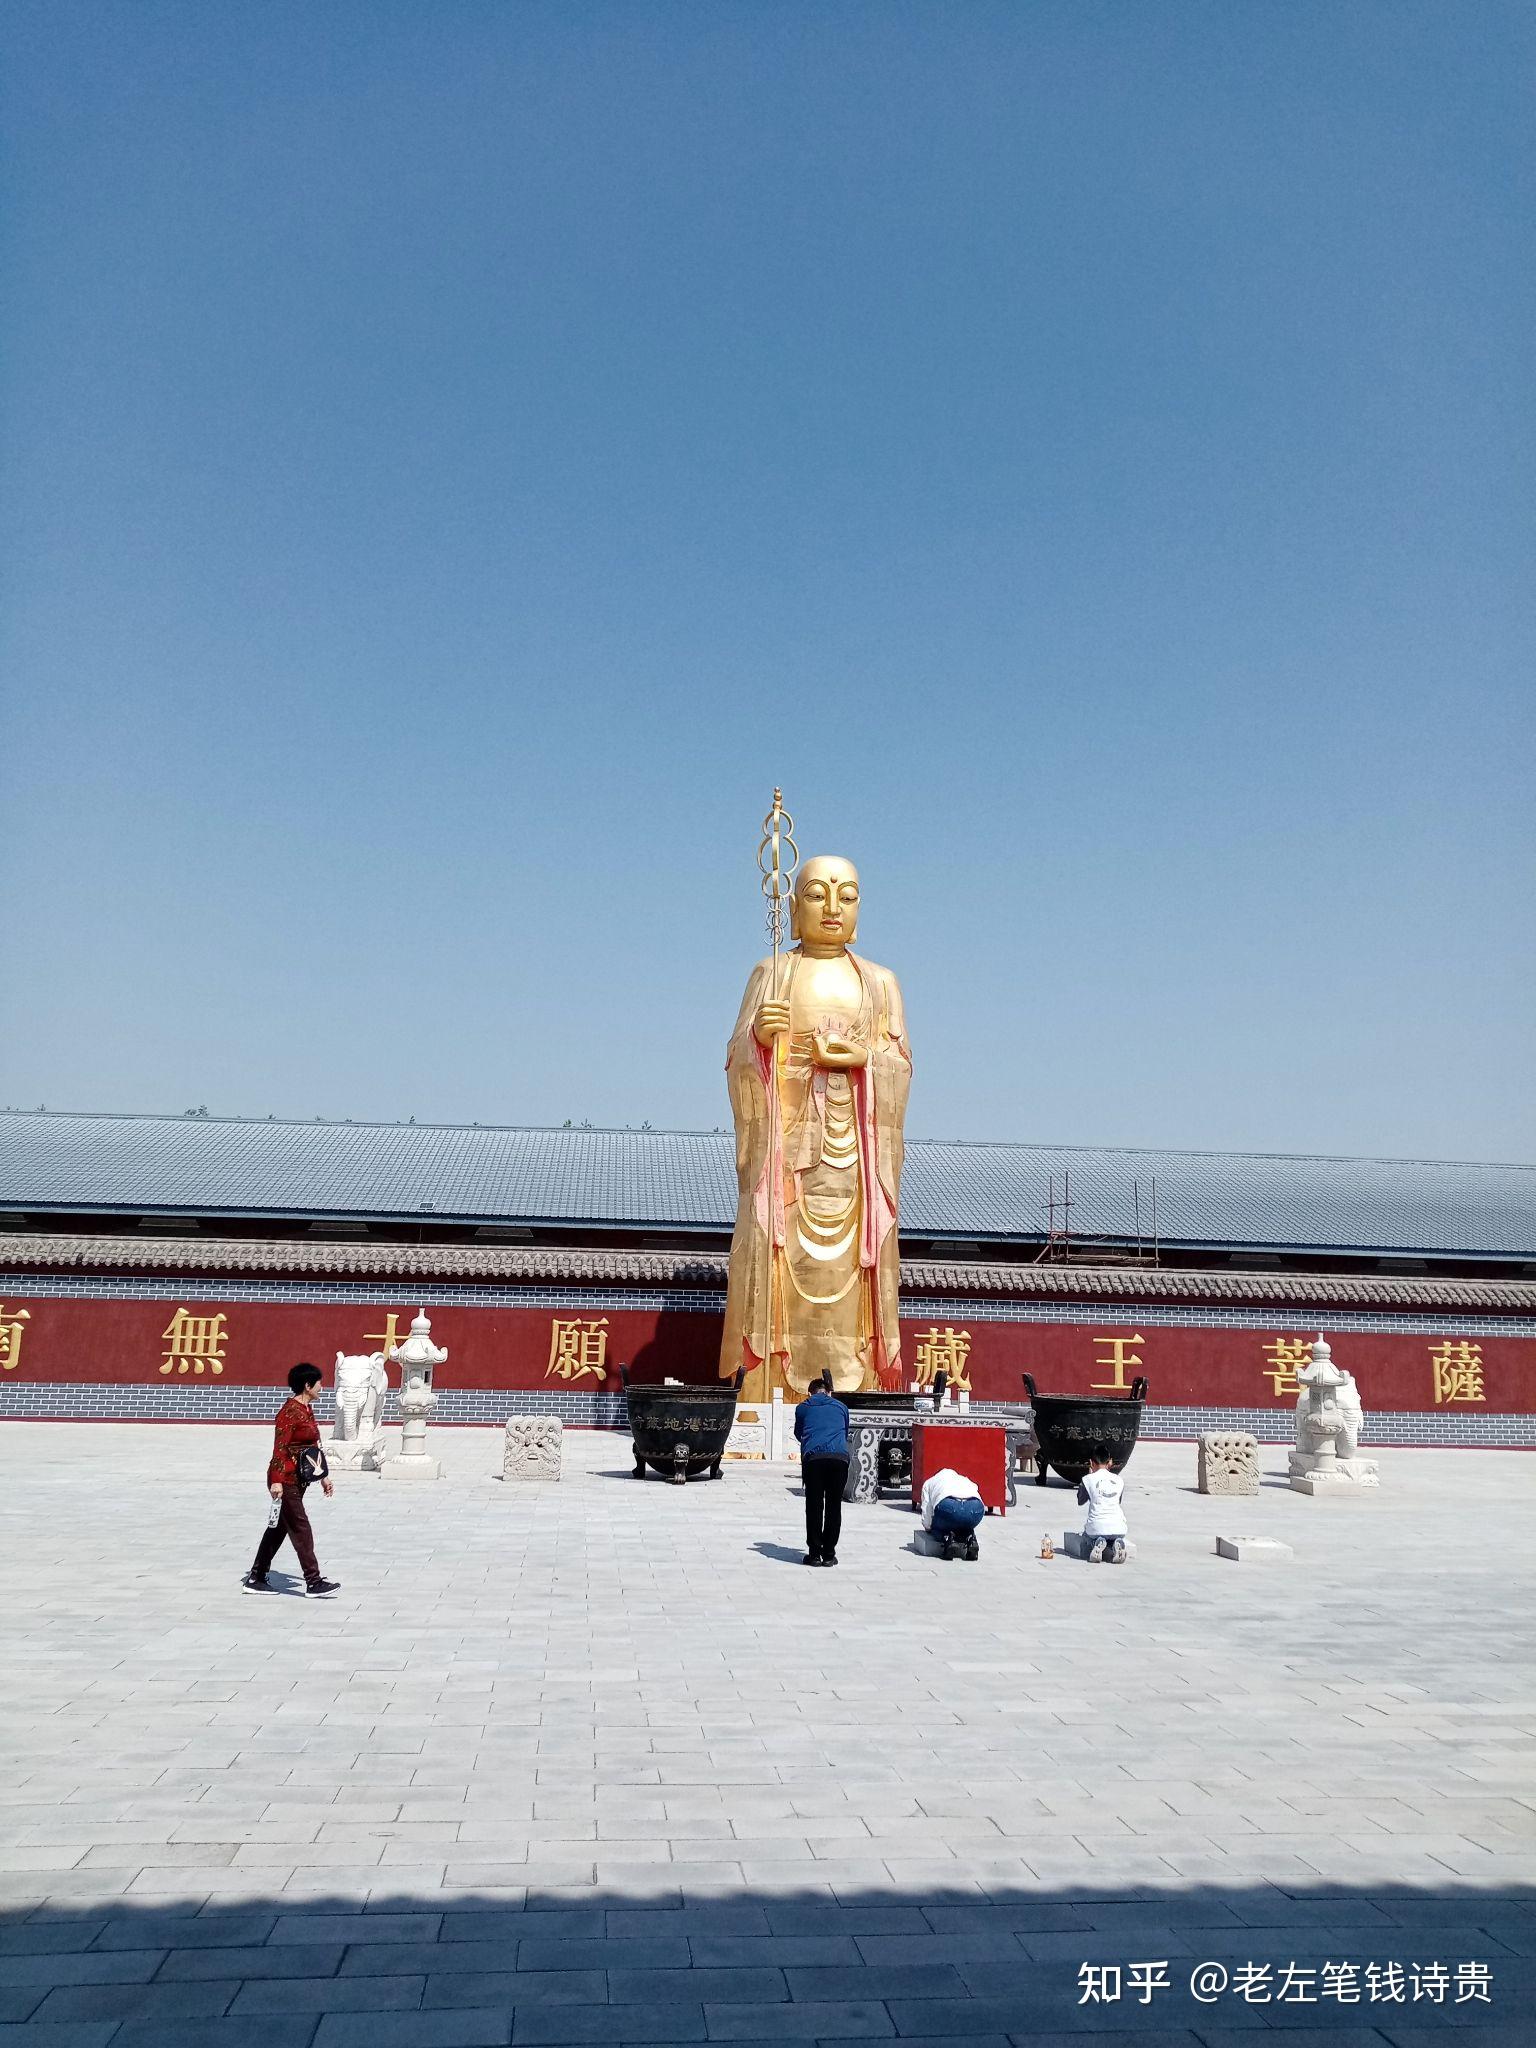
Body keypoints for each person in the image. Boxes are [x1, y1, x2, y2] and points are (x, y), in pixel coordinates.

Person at [243, 1363, 340, 1595]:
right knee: (300, 1527)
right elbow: (280, 1448)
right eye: (319, 1383)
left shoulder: (306, 1409)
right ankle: (314, 1581)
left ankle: (256, 1577)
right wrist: (276, 1480)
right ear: (308, 1386)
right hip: (284, 1478)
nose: (322, 1387)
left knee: (278, 1529)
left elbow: (312, 1446)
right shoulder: (289, 1412)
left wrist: (323, 1476)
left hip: (299, 1478)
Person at [794, 1372, 850, 1566]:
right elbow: (844, 1430)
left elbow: (799, 1433)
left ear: (810, 1393)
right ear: (829, 1392)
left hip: (814, 1460)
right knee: (834, 1507)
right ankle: (829, 1554)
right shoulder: (841, 1407)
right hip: (839, 1459)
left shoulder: (803, 1408)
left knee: (814, 1506)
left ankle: (814, 1554)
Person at [919, 1465, 984, 1561]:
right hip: (975, 1507)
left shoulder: (929, 1482)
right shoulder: (964, 1479)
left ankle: (948, 1539)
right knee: (965, 1524)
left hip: (948, 1505)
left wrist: (929, 1527)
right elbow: (976, 1488)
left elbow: (926, 1511)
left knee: (936, 1528)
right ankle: (970, 1538)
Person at [1077, 1443, 1128, 1563]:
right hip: (1119, 1526)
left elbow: (1080, 1500)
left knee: (1086, 1536)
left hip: (1096, 1526)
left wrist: (1089, 1478)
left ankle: (1097, 1542)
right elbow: (1118, 1501)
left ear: (1091, 1462)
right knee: (1112, 1534)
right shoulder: (1119, 1480)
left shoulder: (1087, 1479)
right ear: (1110, 1462)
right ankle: (1117, 1543)